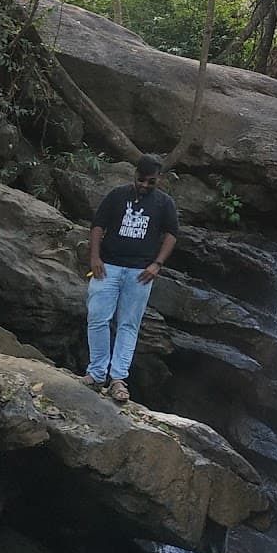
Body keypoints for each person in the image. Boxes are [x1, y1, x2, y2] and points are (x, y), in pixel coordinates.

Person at [84, 154, 179, 404]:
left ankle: (118, 379)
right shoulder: (117, 196)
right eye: (141, 180)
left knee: (128, 324)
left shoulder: (164, 203)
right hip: (108, 267)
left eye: (151, 182)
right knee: (97, 318)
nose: (145, 185)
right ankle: (96, 373)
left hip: (140, 273)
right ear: (134, 174)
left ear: (159, 180)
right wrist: (95, 258)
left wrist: (157, 264)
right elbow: (97, 226)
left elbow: (171, 234)